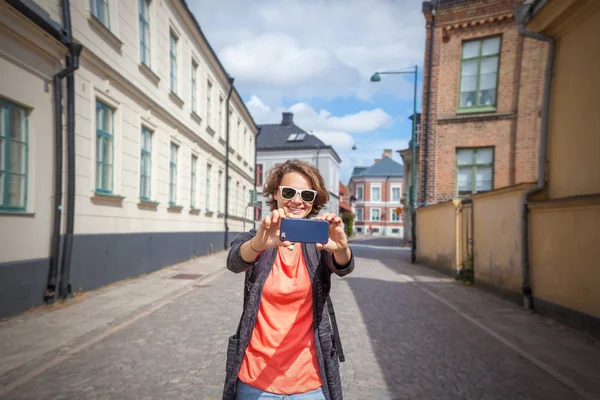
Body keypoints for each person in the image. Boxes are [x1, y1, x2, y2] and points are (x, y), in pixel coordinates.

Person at [222, 160, 355, 400]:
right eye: (289, 192)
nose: (297, 200)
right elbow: (234, 261)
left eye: (306, 194)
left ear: (314, 200)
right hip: (256, 379)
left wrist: (341, 249)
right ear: (276, 194)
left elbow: (343, 266)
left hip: (310, 382)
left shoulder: (319, 244)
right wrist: (258, 245)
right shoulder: (258, 236)